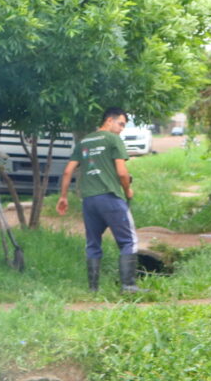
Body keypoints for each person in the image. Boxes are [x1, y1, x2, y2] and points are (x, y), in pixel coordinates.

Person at [56, 108, 145, 293]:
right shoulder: (113, 140)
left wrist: (63, 197)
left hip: (89, 200)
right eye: (120, 124)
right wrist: (128, 190)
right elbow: (122, 172)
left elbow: (67, 171)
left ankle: (93, 289)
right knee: (129, 241)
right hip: (111, 197)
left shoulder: (84, 141)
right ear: (109, 121)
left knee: (93, 244)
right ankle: (128, 285)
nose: (121, 129)